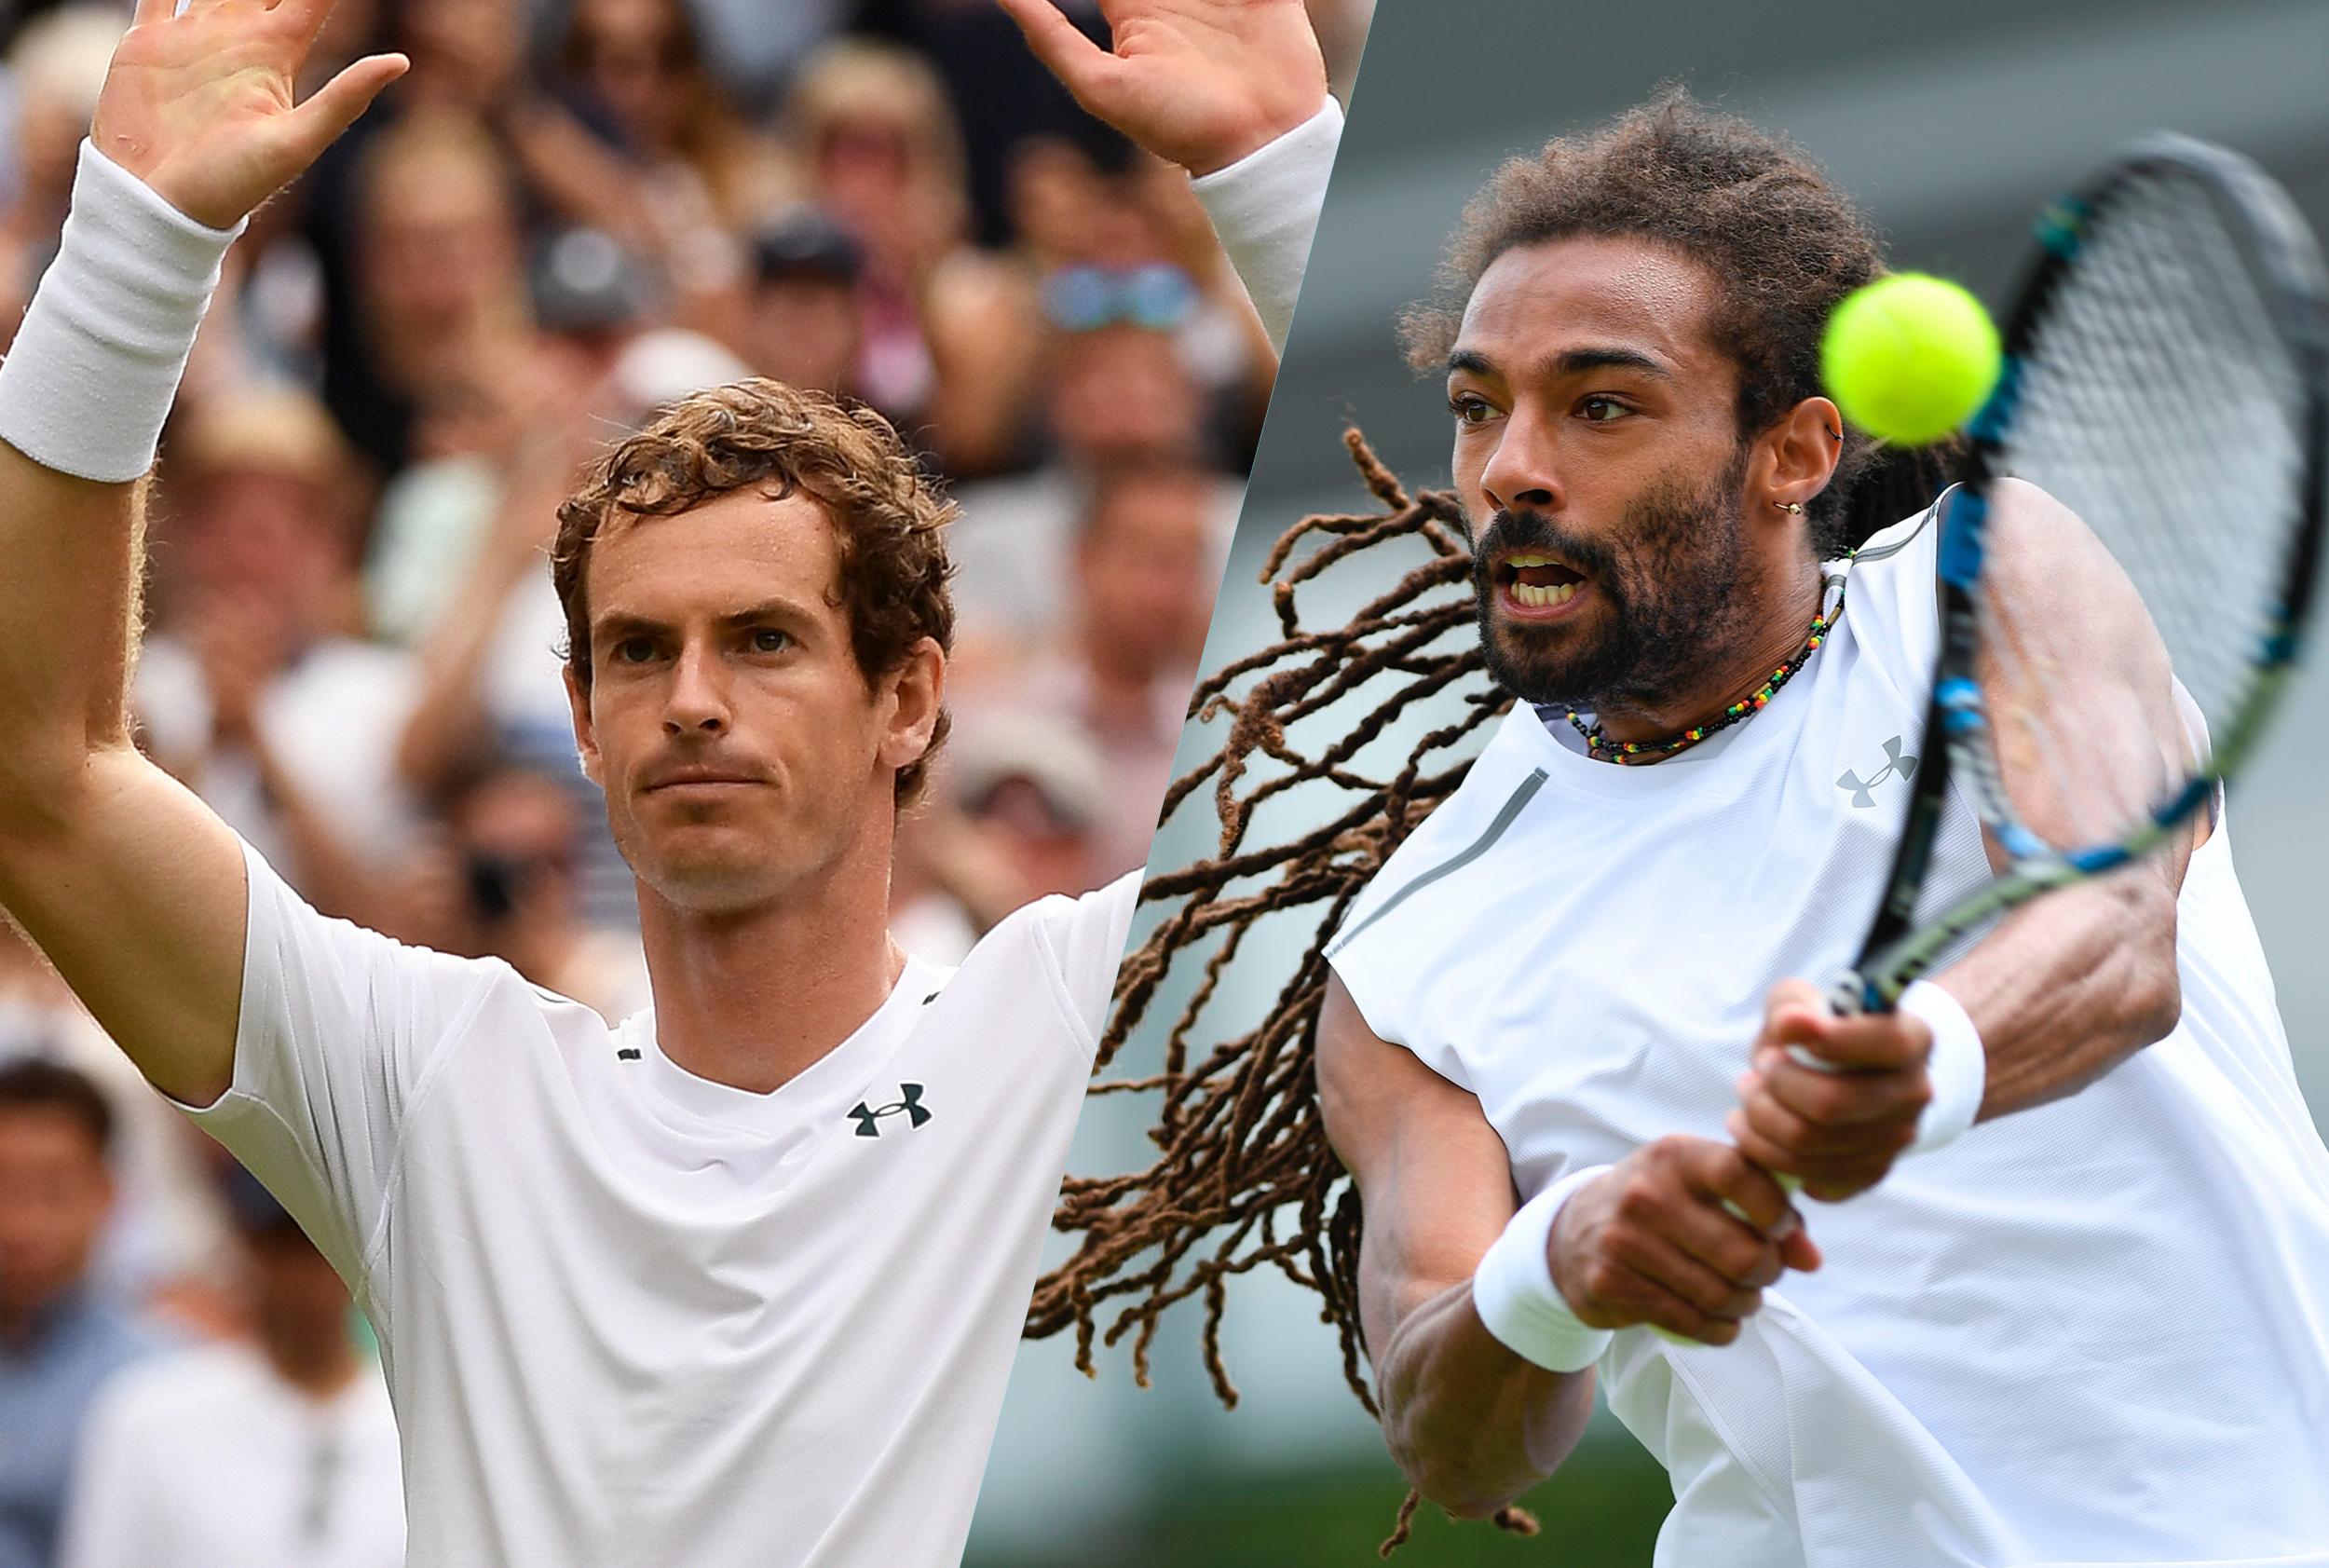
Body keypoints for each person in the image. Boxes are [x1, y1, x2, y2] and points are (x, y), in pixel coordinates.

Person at [0, 2, 1323, 1564]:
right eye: (636, 651)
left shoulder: (1063, 1007)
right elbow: (46, 778)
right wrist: (134, 247)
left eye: (762, 639)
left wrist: (1281, 175)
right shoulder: (434, 1085)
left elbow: (1457, 731)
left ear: (908, 697)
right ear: (578, 711)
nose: (690, 700)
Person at [1037, 90, 2329, 1566]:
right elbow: (1444, 1428)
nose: (1513, 465)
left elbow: (2111, 928)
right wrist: (1559, 1268)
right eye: (1478, 407)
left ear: (1794, 452)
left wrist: (1924, 1061)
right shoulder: (1414, 945)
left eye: (1601, 403)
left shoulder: (1985, 577)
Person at [57, 1167, 404, 1568]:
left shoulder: (412, 1430)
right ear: (249, 1247)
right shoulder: (148, 1415)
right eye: (285, 1247)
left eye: (326, 1248)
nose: (309, 1275)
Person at [0, 1060, 161, 1568]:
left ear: (106, 1193)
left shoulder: (163, 1379)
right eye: (3, 1188)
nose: (21, 1223)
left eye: (53, 1189)